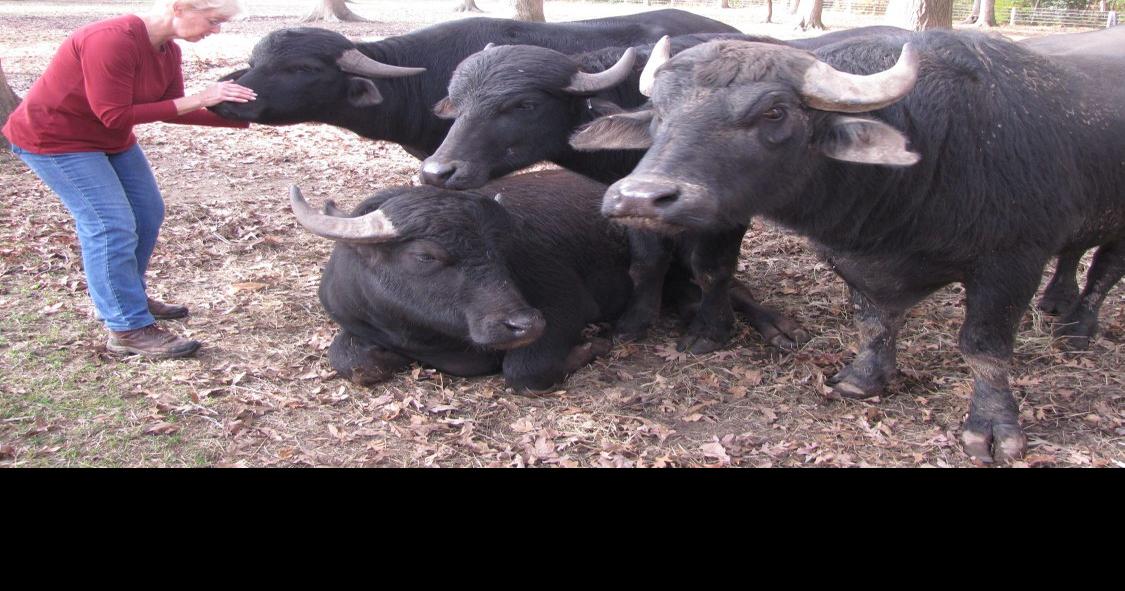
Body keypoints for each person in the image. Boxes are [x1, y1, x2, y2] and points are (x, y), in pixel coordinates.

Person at [3, 0, 257, 359]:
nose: (216, 30)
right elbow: (113, 114)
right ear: (181, 7)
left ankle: (127, 297)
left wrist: (249, 118)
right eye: (214, 21)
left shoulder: (167, 51)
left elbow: (173, 110)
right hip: (56, 140)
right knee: (110, 225)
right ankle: (126, 326)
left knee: (147, 213)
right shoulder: (111, 40)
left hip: (110, 141)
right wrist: (204, 96)